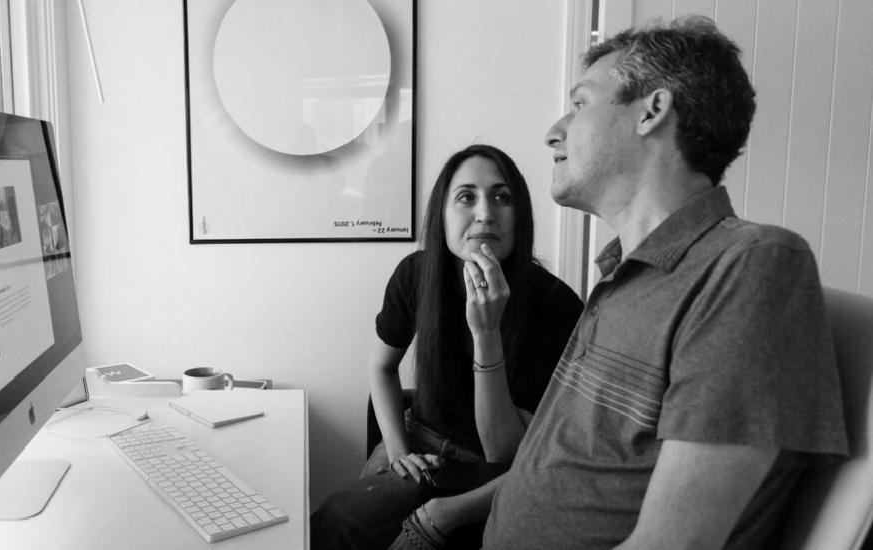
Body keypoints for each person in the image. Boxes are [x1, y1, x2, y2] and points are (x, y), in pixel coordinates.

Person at [387, 17, 849, 550]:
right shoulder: (617, 280)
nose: (554, 131)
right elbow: (544, 464)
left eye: (580, 103)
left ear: (652, 112)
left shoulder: (750, 266)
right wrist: (444, 515)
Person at [311, 144, 584, 549]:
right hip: (418, 441)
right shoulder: (416, 274)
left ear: (521, 216)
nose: (485, 213)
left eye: (501, 197)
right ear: (442, 213)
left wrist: (486, 333)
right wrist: (399, 452)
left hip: (490, 470)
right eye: (466, 197)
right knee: (336, 520)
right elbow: (381, 368)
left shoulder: (556, 305)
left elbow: (503, 453)